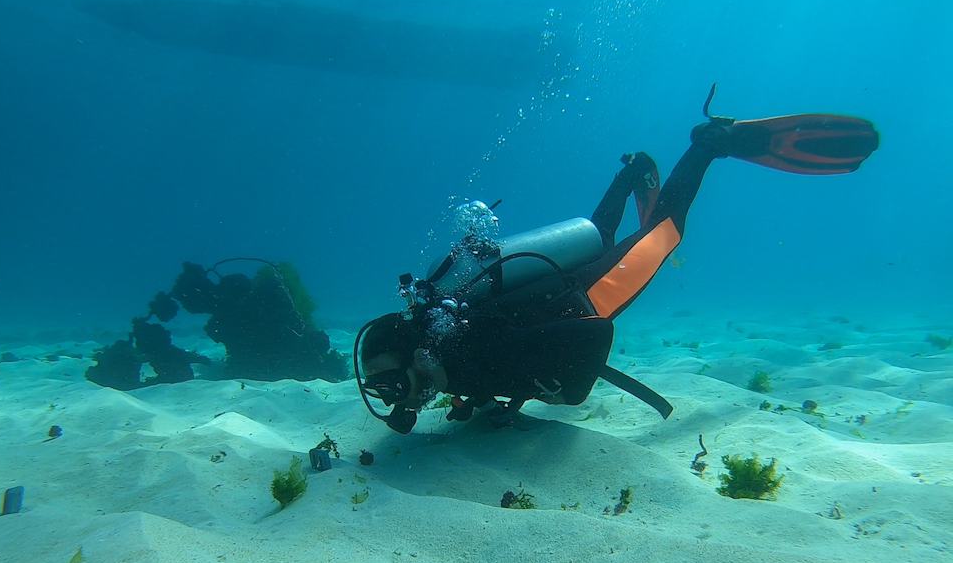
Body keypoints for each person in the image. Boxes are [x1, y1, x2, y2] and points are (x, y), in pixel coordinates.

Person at [355, 86, 879, 434]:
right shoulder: (456, 353)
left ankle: (711, 144)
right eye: (384, 389)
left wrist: (569, 393)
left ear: (420, 356)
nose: (395, 396)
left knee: (664, 233)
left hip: (590, 302)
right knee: (599, 239)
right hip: (559, 288)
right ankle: (630, 174)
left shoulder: (473, 352)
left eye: (391, 384)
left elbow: (593, 336)